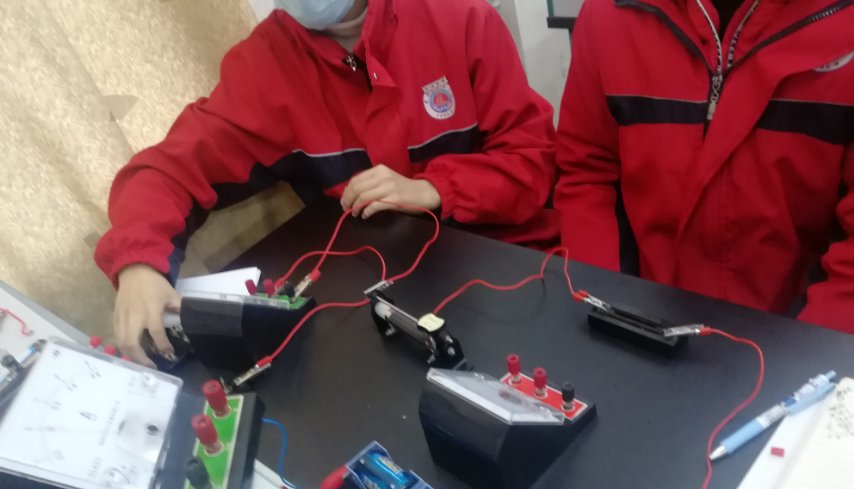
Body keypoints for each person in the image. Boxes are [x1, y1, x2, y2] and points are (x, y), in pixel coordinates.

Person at [95, 0, 558, 364]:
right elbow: (167, 169)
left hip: (504, 268)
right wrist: (138, 262)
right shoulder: (266, 64)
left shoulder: (460, 18)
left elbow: (533, 157)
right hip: (376, 297)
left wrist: (437, 188)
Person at [555, 0, 854, 333]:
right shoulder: (610, 16)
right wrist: (606, 310)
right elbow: (587, 171)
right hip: (643, 323)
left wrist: (812, 353)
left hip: (798, 334)